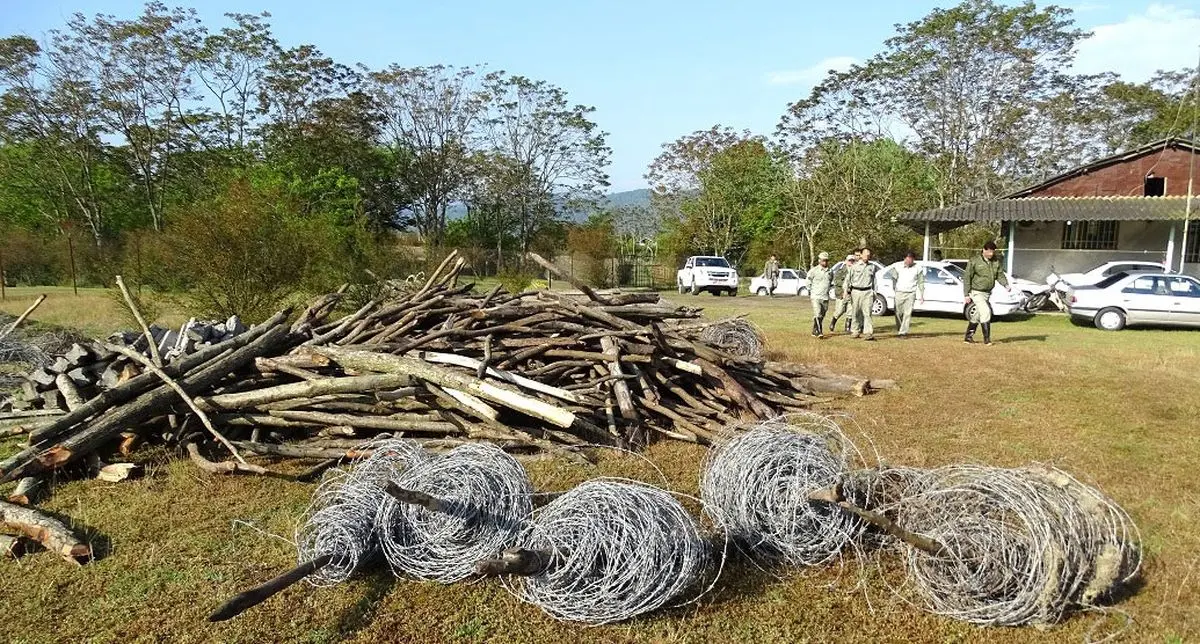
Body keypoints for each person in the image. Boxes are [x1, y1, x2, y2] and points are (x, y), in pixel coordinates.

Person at [963, 240, 1010, 345]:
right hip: (976, 292)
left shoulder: (996, 261)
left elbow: (1000, 275)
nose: (991, 254)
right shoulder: (974, 261)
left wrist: (1006, 285)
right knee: (986, 312)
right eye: (989, 251)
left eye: (993, 252)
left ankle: (968, 337)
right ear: (983, 250)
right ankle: (987, 340)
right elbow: (967, 278)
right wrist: (966, 294)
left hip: (987, 293)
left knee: (978, 315)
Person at [884, 251, 924, 338]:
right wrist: (895, 288)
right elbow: (893, 278)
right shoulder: (897, 266)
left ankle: (903, 332)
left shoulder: (918, 268)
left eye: (911, 259)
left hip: (911, 293)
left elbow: (921, 282)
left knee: (907, 313)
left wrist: (921, 294)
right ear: (904, 258)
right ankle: (900, 328)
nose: (909, 261)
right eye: (908, 258)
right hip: (899, 292)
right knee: (898, 312)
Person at [842, 247, 878, 341]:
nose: (867, 256)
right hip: (856, 291)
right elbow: (847, 279)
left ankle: (868, 333)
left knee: (868, 313)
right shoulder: (854, 266)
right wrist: (846, 291)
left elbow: (874, 281)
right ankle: (855, 331)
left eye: (869, 255)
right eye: (865, 254)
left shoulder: (872, 267)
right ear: (861, 255)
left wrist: (874, 293)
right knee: (855, 312)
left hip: (868, 292)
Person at [829, 252, 857, 333]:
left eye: (852, 261)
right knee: (839, 310)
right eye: (849, 260)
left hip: (852, 294)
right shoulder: (840, 271)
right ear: (846, 261)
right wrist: (846, 285)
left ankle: (847, 327)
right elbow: (836, 281)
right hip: (842, 293)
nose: (851, 262)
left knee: (850, 311)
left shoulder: (856, 271)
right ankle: (833, 322)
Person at [807, 251, 833, 337]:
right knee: (817, 313)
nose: (825, 262)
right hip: (816, 296)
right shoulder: (814, 271)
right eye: (823, 260)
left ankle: (815, 330)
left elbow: (831, 281)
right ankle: (820, 331)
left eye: (826, 260)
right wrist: (811, 291)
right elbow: (808, 281)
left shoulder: (830, 271)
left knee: (822, 314)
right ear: (819, 260)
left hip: (825, 296)